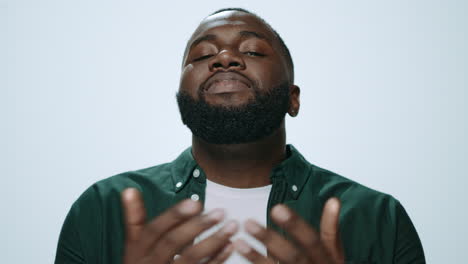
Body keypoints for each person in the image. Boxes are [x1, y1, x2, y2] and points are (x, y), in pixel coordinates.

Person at [55, 8, 425, 264]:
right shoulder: (103, 209)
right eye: (202, 55)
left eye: (251, 50)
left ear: (292, 99)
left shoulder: (377, 218)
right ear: (180, 101)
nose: (224, 59)